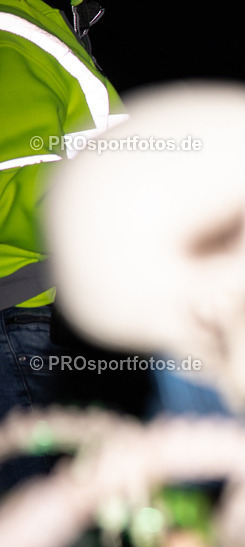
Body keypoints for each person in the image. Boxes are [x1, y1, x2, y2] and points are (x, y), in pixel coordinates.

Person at [0, 0, 126, 489]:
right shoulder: (12, 27)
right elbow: (12, 181)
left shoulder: (51, 24)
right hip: (27, 318)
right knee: (41, 517)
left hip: (44, 319)